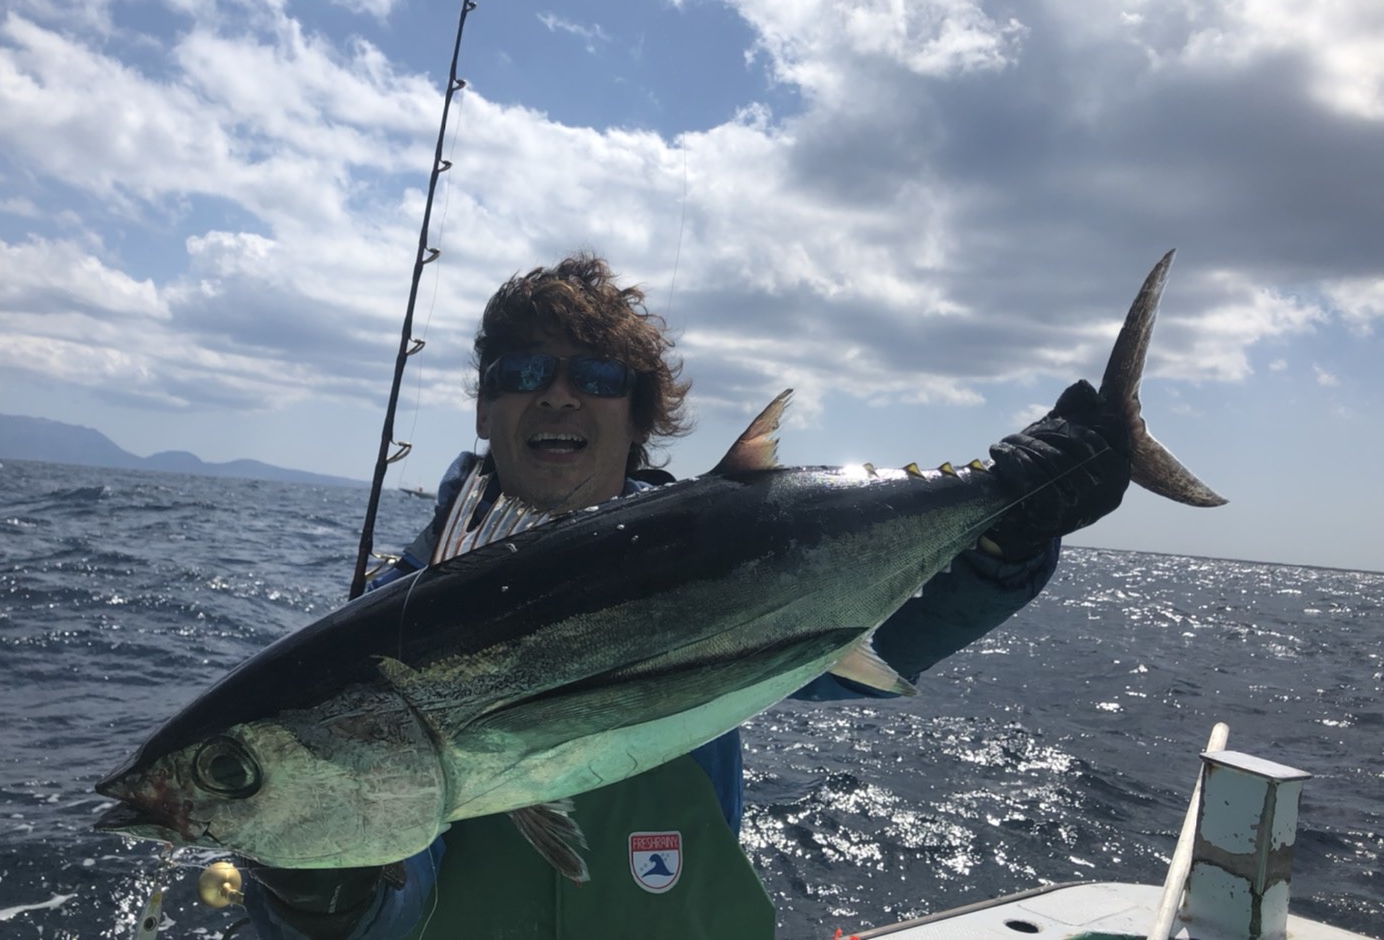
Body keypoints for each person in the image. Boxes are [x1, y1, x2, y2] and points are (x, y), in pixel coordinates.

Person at [244, 253, 1130, 940]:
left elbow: (888, 641)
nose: (558, 395)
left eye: (597, 378)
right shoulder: (389, 633)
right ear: (485, 408)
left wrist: (1014, 535)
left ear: (638, 416)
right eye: (524, 372)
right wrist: (317, 893)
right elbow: (382, 917)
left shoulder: (722, 555)